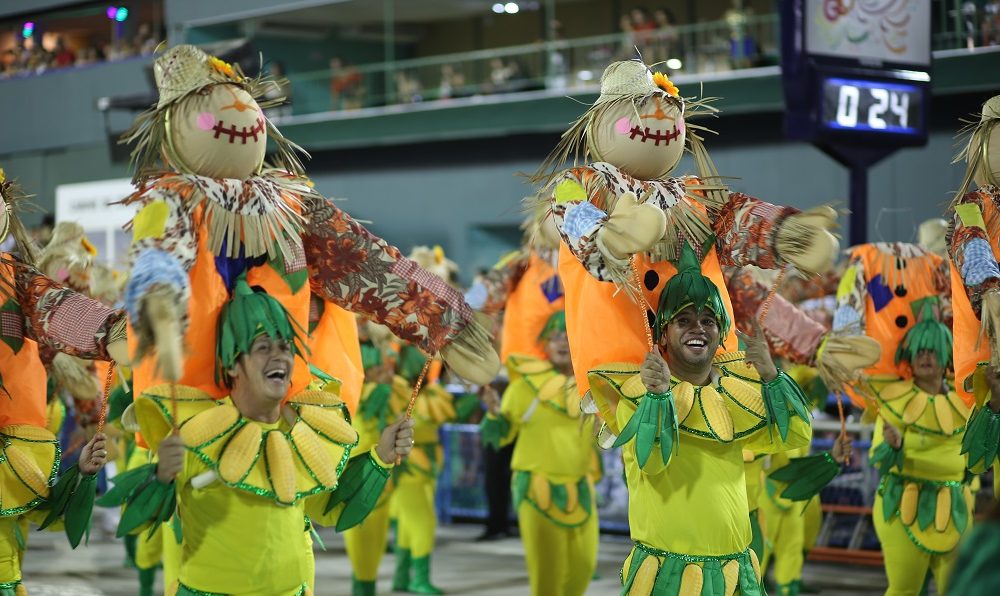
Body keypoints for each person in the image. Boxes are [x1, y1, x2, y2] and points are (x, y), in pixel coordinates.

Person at [104, 279, 416, 595]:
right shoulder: (195, 432)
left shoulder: (303, 428)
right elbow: (139, 523)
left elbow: (329, 508)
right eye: (263, 347)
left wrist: (380, 459)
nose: (279, 356)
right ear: (232, 364)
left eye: (285, 347)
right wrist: (161, 478)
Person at [587, 243, 813, 594]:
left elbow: (796, 435)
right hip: (669, 577)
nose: (698, 328)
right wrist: (659, 396)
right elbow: (651, 461)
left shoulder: (737, 395)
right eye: (684, 320)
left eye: (708, 320)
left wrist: (771, 376)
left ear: (720, 333)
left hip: (738, 574)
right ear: (663, 333)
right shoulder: (638, 393)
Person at [480, 311, 599, 596]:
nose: (562, 342)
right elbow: (501, 435)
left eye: (568, 335)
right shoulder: (523, 387)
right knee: (548, 575)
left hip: (581, 487)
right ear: (544, 344)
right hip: (536, 486)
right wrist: (495, 412)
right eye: (556, 336)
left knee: (582, 569)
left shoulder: (592, 389)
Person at [866, 300, 972, 596]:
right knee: (904, 589)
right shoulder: (893, 401)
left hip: (956, 506)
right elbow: (879, 461)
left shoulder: (966, 402)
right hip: (902, 505)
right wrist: (893, 447)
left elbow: (976, 463)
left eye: (932, 349)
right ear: (910, 357)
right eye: (920, 350)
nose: (925, 356)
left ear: (946, 356)